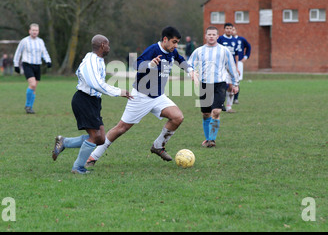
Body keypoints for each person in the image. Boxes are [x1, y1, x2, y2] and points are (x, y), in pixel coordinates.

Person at [85, 26, 192, 167]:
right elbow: (137, 64)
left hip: (158, 97)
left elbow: (180, 59)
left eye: (177, 42)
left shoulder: (172, 51)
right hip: (141, 96)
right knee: (121, 128)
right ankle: (92, 157)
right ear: (165, 39)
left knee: (177, 117)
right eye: (174, 42)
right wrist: (150, 64)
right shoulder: (153, 49)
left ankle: (158, 146)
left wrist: (190, 70)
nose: (176, 45)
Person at [51, 35, 132, 174]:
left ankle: (64, 142)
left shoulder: (96, 59)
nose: (109, 48)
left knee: (100, 138)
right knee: (95, 136)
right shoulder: (91, 61)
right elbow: (97, 84)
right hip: (84, 100)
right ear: (102, 46)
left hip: (93, 101)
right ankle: (78, 167)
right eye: (108, 45)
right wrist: (119, 91)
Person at [188, 26, 239, 148]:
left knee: (216, 111)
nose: (211, 36)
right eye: (209, 34)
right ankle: (208, 139)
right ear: (205, 36)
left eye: (213, 34)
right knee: (206, 114)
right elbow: (189, 64)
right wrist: (192, 72)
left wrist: (235, 83)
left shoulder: (224, 50)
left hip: (220, 85)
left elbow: (231, 67)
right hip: (205, 85)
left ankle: (212, 140)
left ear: (217, 36)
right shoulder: (199, 51)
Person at [13, 23, 52, 114]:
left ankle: (30, 107)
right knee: (33, 84)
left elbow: (44, 52)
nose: (35, 32)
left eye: (36, 30)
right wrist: (16, 65)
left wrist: (48, 61)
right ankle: (27, 105)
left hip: (37, 65)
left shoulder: (40, 41)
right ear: (29, 31)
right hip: (27, 64)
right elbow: (18, 52)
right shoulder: (24, 41)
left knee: (34, 88)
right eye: (33, 30)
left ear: (38, 32)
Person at [217, 23, 238, 113]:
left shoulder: (234, 40)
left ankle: (228, 106)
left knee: (231, 87)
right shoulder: (220, 39)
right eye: (227, 28)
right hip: (222, 66)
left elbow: (236, 54)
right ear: (224, 29)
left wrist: (236, 67)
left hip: (232, 67)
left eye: (230, 28)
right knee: (226, 85)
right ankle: (221, 104)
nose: (229, 30)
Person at [232, 26, 251, 105]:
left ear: (236, 31)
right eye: (230, 29)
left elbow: (249, 47)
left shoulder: (241, 39)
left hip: (238, 62)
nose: (232, 31)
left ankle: (235, 98)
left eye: (233, 29)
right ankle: (227, 98)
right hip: (228, 63)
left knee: (237, 81)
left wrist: (246, 57)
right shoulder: (225, 40)